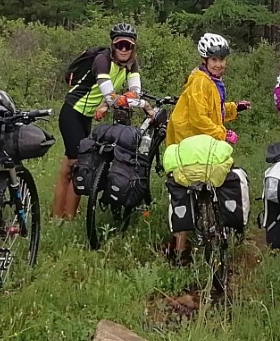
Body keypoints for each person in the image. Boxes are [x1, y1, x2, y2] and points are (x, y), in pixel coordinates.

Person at [164, 33, 249, 263]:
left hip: (200, 143)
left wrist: (234, 108)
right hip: (188, 143)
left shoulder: (211, 82)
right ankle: (180, 249)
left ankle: (190, 240)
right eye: (214, 60)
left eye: (222, 59)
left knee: (196, 191)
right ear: (205, 60)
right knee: (183, 192)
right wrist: (223, 134)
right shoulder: (201, 82)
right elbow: (199, 118)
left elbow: (214, 111)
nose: (219, 64)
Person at [52, 23, 143, 221]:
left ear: (133, 47)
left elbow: (135, 93)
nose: (124, 49)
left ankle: (59, 216)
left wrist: (115, 102)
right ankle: (65, 218)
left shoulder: (131, 64)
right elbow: (111, 97)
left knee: (69, 167)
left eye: (128, 45)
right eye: (119, 45)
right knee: (78, 167)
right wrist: (134, 103)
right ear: (113, 45)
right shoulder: (102, 60)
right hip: (72, 112)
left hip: (86, 116)